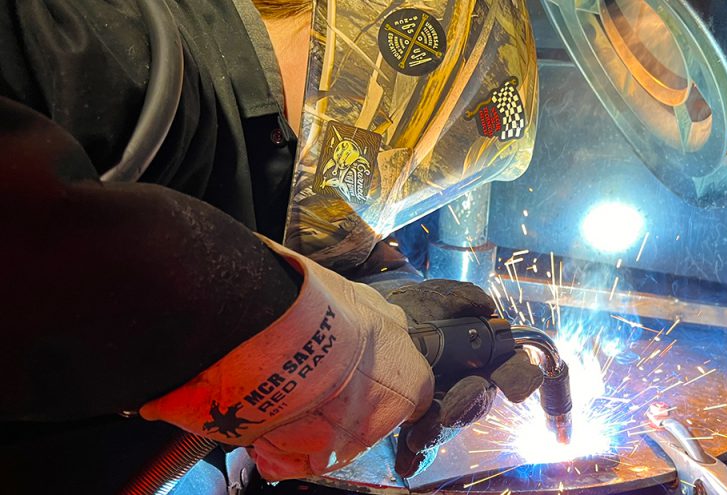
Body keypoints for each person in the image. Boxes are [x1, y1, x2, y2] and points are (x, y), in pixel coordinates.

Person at [0, 0, 542, 492]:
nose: (386, 203)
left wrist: (373, 290)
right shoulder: (113, 49)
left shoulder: (222, 150)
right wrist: (279, 322)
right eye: (404, 174)